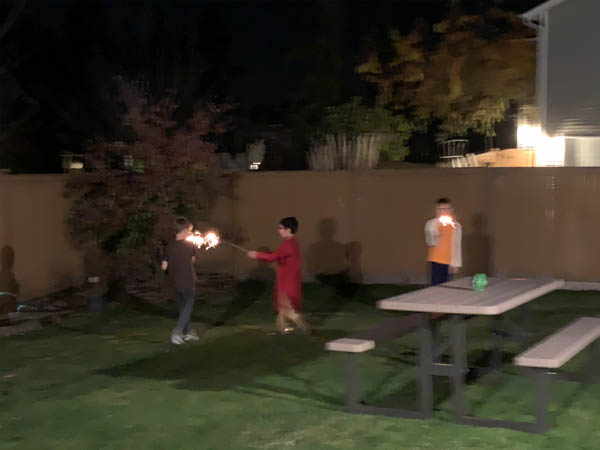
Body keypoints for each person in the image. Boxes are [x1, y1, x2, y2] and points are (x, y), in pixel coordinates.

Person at [247, 217, 309, 334]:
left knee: (286, 308)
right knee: (282, 307)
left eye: (281, 228)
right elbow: (278, 255)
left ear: (288, 229)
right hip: (287, 278)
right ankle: (282, 329)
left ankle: (304, 327)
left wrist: (256, 255)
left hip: (288, 280)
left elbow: (273, 256)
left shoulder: (289, 244)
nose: (278, 230)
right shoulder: (291, 242)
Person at [161, 216, 200, 345]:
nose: (191, 233)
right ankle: (177, 332)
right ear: (184, 231)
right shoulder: (190, 246)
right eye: (189, 230)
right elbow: (192, 260)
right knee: (188, 308)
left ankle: (189, 332)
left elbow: (164, 266)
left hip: (175, 282)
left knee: (183, 308)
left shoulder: (169, 246)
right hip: (188, 281)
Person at [425, 198, 462, 286]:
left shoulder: (456, 225)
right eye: (440, 209)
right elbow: (430, 241)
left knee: (448, 285)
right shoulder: (432, 224)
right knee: (436, 286)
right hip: (436, 260)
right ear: (436, 210)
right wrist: (436, 235)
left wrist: (455, 264)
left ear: (451, 210)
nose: (443, 211)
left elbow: (457, 245)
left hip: (449, 262)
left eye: (446, 209)